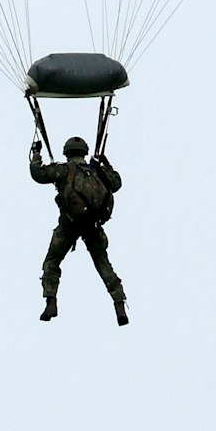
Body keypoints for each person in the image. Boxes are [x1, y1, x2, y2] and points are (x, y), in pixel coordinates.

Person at [30, 135, 128, 324]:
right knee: (103, 264)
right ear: (84, 152)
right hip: (93, 224)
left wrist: (36, 154)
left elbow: (38, 174)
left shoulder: (63, 170)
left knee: (52, 261)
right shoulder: (96, 169)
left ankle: (51, 301)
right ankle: (119, 304)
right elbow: (116, 183)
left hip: (69, 224)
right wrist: (105, 163)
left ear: (66, 153)